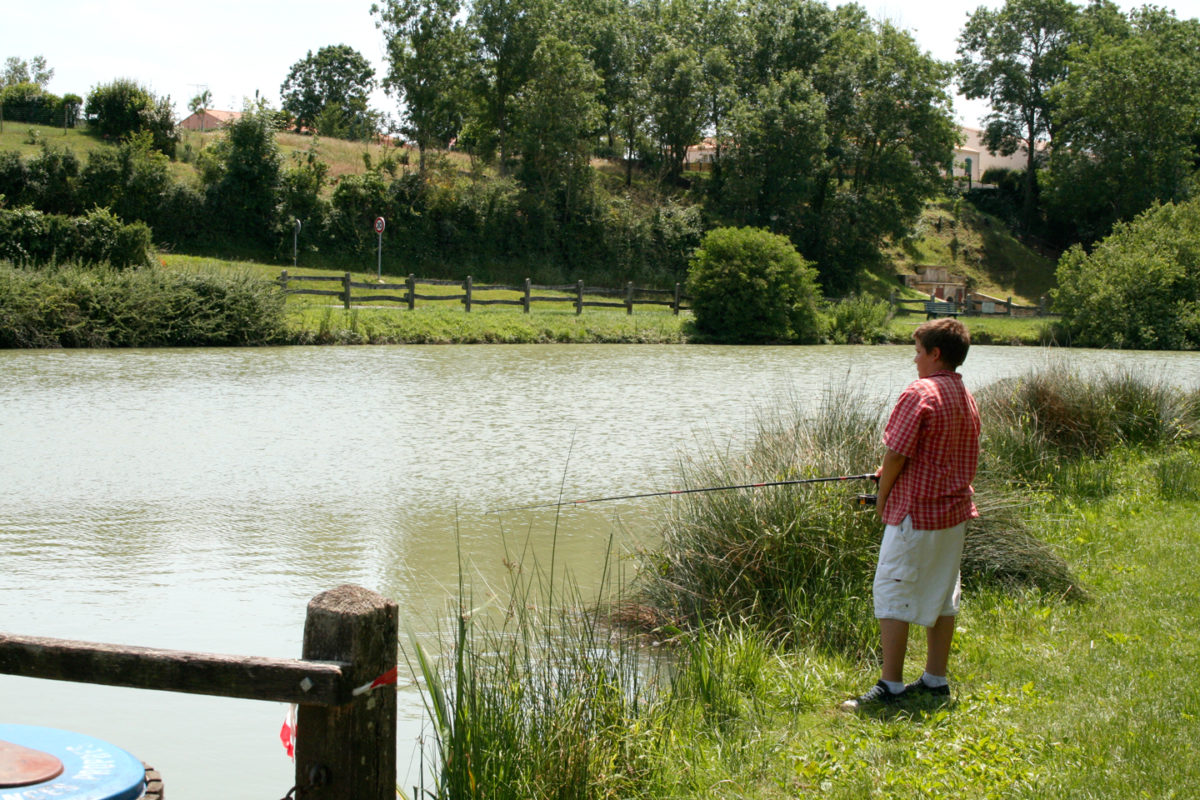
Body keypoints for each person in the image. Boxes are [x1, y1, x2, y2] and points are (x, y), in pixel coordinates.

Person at [842, 317, 981, 710]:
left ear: (935, 354)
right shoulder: (964, 394)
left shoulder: (920, 392)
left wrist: (883, 498)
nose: (914, 359)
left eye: (918, 352)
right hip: (952, 515)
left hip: (915, 516)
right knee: (942, 595)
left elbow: (896, 453)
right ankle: (936, 681)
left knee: (891, 592)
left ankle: (891, 687)